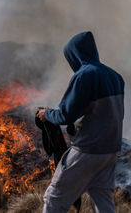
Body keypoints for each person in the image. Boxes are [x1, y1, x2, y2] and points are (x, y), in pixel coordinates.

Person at [37, 31, 124, 213]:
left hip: (87, 150)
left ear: (74, 55)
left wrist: (47, 114)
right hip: (110, 151)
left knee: (54, 198)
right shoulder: (115, 76)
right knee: (102, 200)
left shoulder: (84, 75)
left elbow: (65, 115)